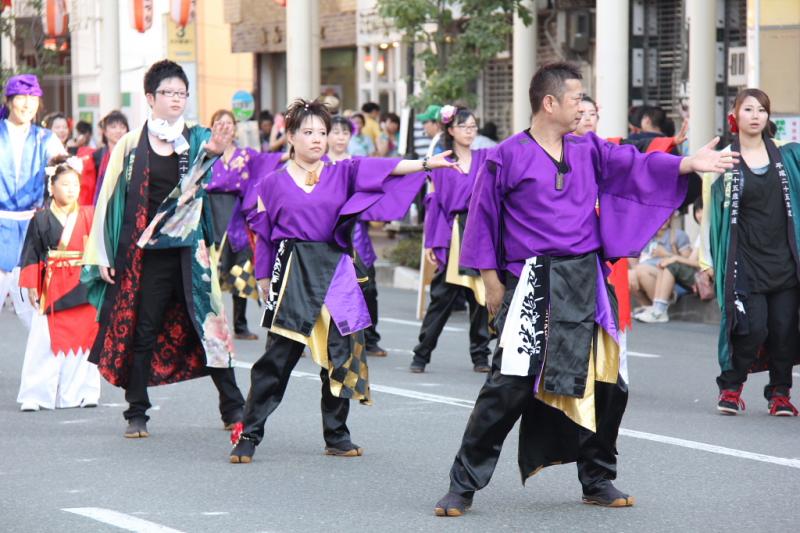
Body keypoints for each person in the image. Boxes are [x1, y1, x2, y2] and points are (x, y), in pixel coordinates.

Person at [432, 62, 737, 517]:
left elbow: (636, 166)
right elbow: (482, 221)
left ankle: (597, 478)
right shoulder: (506, 156)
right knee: (510, 384)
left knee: (609, 382)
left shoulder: (588, 149)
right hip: (531, 280)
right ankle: (463, 484)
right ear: (549, 102)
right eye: (577, 98)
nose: (584, 105)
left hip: (586, 279)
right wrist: (493, 282)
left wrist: (688, 162)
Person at [229, 98, 453, 464]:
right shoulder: (271, 184)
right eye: (309, 132)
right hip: (294, 272)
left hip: (337, 271)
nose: (317, 139)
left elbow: (386, 169)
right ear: (290, 136)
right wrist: (261, 276)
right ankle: (249, 434)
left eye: (322, 132)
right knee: (277, 359)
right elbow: (266, 236)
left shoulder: (342, 172)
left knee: (341, 355)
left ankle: (337, 435)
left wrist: (428, 163)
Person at [82, 60, 246, 439]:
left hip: (190, 252)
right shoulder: (129, 144)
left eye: (181, 93)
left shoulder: (197, 137)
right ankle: (136, 412)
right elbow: (108, 200)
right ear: (150, 98)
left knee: (210, 328)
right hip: (145, 256)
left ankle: (233, 408)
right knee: (143, 329)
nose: (176, 99)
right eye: (168, 93)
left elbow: (208, 163)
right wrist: (104, 256)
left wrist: (216, 149)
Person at [701, 88, 800, 417]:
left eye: (762, 110)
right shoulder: (723, 161)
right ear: (735, 116)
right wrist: (706, 263)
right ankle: (731, 386)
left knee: (785, 329)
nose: (756, 115)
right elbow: (709, 219)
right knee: (751, 327)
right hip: (744, 264)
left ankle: (780, 393)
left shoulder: (788, 157)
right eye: (748, 109)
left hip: (785, 262)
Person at [17, 155, 101, 411]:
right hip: (54, 285)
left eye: (75, 184)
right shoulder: (40, 219)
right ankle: (35, 394)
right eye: (65, 184)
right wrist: (32, 284)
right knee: (42, 341)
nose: (71, 189)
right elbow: (31, 252)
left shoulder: (89, 214)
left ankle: (84, 393)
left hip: (84, 283)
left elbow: (100, 249)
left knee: (86, 342)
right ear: (52, 187)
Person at [412, 105, 492, 373]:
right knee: (442, 299)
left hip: (480, 232)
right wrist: (432, 242)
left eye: (473, 127)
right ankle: (421, 354)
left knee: (480, 299)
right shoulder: (442, 162)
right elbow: (434, 204)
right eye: (464, 127)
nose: (470, 131)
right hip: (454, 232)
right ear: (450, 130)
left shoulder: (486, 158)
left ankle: (481, 356)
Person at [205, 109, 287, 340]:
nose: (224, 127)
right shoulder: (206, 154)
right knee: (210, 273)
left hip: (236, 218)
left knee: (239, 269)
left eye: (229, 123)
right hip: (210, 215)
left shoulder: (246, 155)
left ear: (235, 128)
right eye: (219, 123)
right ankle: (211, 326)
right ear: (212, 127)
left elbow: (271, 160)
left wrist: (297, 150)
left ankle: (240, 325)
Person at [0, 74, 66, 328]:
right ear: (9, 100)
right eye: (21, 98)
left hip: (31, 229)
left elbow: (64, 169)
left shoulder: (46, 138)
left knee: (35, 312)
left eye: (33, 98)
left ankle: (43, 368)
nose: (27, 104)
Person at [327, 115, 387, 357]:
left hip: (356, 232)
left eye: (344, 132)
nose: (340, 137)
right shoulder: (319, 164)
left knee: (368, 286)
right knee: (321, 288)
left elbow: (385, 173)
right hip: (327, 233)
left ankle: (370, 338)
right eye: (335, 132)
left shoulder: (358, 162)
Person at [635, 199, 704, 323]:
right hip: (690, 273)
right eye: (697, 211)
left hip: (703, 278)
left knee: (668, 265)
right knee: (662, 265)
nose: (699, 215)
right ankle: (655, 309)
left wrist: (672, 257)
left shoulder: (680, 235)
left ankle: (660, 309)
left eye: (702, 211)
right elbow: (691, 261)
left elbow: (698, 264)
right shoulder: (702, 233)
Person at [629, 216, 692, 308]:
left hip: (670, 280)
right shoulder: (647, 237)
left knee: (640, 272)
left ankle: (661, 306)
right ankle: (647, 307)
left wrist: (665, 254)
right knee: (629, 276)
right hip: (647, 273)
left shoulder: (678, 235)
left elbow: (688, 263)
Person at [92, 110, 130, 203]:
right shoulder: (96, 156)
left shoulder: (133, 154)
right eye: (113, 127)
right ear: (105, 132)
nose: (118, 131)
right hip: (102, 204)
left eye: (122, 127)